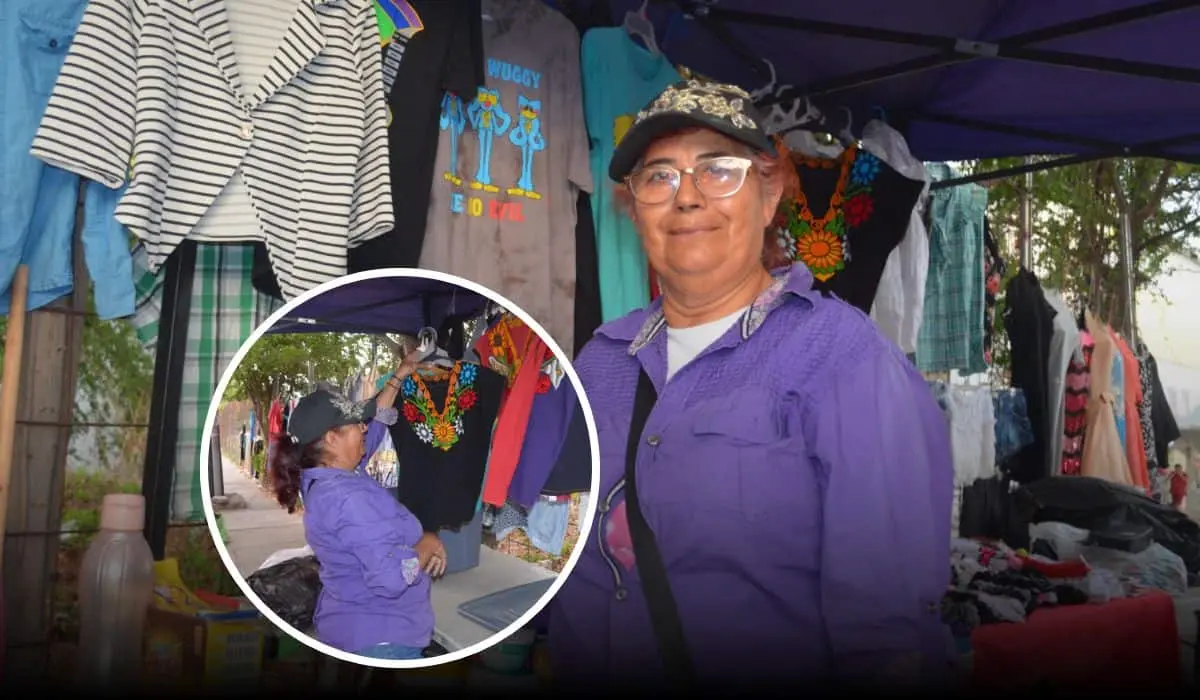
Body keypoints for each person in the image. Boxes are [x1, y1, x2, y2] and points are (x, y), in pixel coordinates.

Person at [547, 80, 955, 687]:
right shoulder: (600, 361)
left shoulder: (846, 362)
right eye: (659, 177)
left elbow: (886, 632)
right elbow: (555, 551)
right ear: (635, 210)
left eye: (719, 171)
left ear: (769, 197)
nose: (686, 198)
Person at [269, 351, 446, 660]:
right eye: (354, 424)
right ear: (332, 439)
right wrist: (426, 543)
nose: (364, 428)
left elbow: (375, 422)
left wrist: (400, 374)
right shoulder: (348, 499)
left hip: (355, 625)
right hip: (382, 639)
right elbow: (391, 577)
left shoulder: (328, 476)